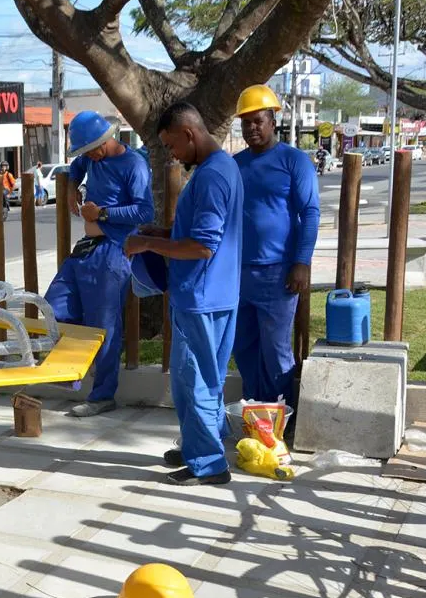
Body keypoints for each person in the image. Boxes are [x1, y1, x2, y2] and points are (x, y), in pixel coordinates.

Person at [124, 102, 243, 485]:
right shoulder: (223, 168)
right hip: (216, 293)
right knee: (202, 377)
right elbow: (201, 235)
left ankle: (208, 464)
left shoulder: (210, 177)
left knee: (195, 381)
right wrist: (159, 235)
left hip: (201, 296)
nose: (171, 154)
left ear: (188, 134)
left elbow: (203, 246)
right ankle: (203, 443)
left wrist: (146, 246)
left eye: (172, 145)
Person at [45, 110, 154, 417]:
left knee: (104, 324)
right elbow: (77, 165)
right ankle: (73, 367)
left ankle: (103, 394)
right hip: (86, 249)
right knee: (54, 306)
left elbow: (144, 212)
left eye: (91, 149)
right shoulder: (90, 158)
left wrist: (102, 214)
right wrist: (70, 187)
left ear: (106, 139)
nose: (89, 156)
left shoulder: (134, 165)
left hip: (114, 250)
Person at [232, 85, 320, 409]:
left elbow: (310, 212)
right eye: (246, 123)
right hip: (239, 272)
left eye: (258, 121)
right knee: (243, 346)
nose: (252, 128)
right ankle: (256, 410)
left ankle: (283, 416)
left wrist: (301, 262)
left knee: (275, 350)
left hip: (278, 273)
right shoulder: (235, 164)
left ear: (272, 121)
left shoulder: (294, 161)